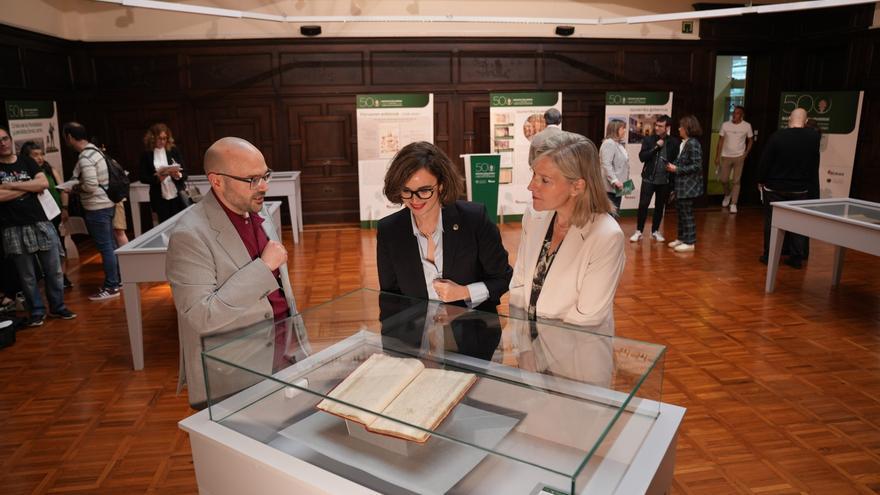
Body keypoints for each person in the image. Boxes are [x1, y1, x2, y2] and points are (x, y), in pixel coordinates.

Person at [166, 137, 295, 409]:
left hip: (282, 351)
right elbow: (201, 314)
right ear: (217, 181)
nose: (264, 186)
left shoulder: (255, 209)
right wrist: (263, 267)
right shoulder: (189, 235)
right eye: (252, 180)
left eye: (265, 176)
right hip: (235, 371)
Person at [509, 131, 625, 333]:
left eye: (544, 180)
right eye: (533, 175)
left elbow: (587, 316)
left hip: (577, 355)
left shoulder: (606, 236)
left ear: (577, 186)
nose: (530, 186)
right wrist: (524, 346)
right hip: (529, 349)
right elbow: (519, 284)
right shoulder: (534, 217)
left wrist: (539, 355)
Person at [377, 141, 512, 314]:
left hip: (473, 333)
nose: (415, 200)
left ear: (441, 185)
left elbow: (503, 278)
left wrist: (464, 292)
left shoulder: (474, 219)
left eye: (424, 190)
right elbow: (390, 300)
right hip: (416, 338)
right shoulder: (389, 230)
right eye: (406, 191)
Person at [0, 127, 76, 326]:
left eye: (5, 138)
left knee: (54, 270)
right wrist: (27, 187)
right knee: (27, 276)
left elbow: (41, 184)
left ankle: (58, 307)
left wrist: (9, 186)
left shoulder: (27, 161)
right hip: (13, 227)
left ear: (10, 139)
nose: (3, 143)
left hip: (41, 222)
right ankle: (37, 311)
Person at [62, 122, 121, 300]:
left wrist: (74, 188)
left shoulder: (85, 157)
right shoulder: (96, 151)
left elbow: (90, 185)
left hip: (97, 207)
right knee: (110, 245)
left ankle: (111, 286)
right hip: (107, 204)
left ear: (70, 137)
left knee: (106, 248)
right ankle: (117, 281)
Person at [757, 108, 820, 269]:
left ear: (789, 119)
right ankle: (796, 258)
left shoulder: (777, 136)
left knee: (772, 222)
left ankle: (770, 255)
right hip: (800, 189)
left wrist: (760, 180)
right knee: (798, 223)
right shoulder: (813, 138)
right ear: (805, 122)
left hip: (775, 188)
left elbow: (765, 161)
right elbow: (814, 164)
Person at [20, 141, 73, 289]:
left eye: (41, 154)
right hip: (37, 215)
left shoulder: (50, 169)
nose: (40, 158)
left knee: (60, 245)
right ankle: (46, 276)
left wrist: (65, 208)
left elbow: (62, 189)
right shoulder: (25, 173)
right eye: (35, 155)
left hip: (54, 212)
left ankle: (63, 276)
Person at [631, 115, 679, 242]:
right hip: (648, 179)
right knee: (643, 205)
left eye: (660, 126)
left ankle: (655, 231)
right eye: (656, 125)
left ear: (667, 127)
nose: (657, 128)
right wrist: (656, 147)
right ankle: (639, 231)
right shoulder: (649, 140)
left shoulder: (674, 142)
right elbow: (642, 157)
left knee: (659, 206)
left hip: (664, 181)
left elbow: (675, 161)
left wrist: (673, 182)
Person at [666, 115, 704, 253]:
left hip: (689, 186)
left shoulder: (693, 143)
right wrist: (672, 165)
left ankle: (690, 242)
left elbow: (696, 166)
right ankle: (682, 238)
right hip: (681, 185)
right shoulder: (685, 143)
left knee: (687, 214)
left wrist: (677, 169)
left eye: (681, 126)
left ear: (687, 128)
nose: (679, 129)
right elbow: (682, 161)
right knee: (681, 213)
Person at [139, 123, 188, 224]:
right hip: (160, 197)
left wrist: (178, 175)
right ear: (152, 138)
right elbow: (142, 177)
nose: (162, 141)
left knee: (181, 225)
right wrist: (157, 179)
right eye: (159, 138)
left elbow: (185, 173)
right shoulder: (146, 154)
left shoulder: (173, 150)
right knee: (164, 226)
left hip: (177, 195)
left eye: (165, 138)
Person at [715, 105, 753, 214]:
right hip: (725, 156)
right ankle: (727, 195)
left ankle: (733, 204)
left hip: (739, 157)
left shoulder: (747, 126)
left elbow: (750, 140)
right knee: (724, 179)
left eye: (737, 113)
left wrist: (745, 154)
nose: (734, 114)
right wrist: (717, 157)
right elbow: (720, 141)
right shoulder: (725, 125)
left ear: (742, 115)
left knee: (736, 181)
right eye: (733, 112)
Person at [599, 119, 629, 212]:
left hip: (618, 186)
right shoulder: (609, 143)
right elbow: (606, 164)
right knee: (610, 215)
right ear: (615, 129)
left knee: (615, 213)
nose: (625, 130)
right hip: (610, 187)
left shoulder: (618, 143)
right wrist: (615, 180)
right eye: (623, 128)